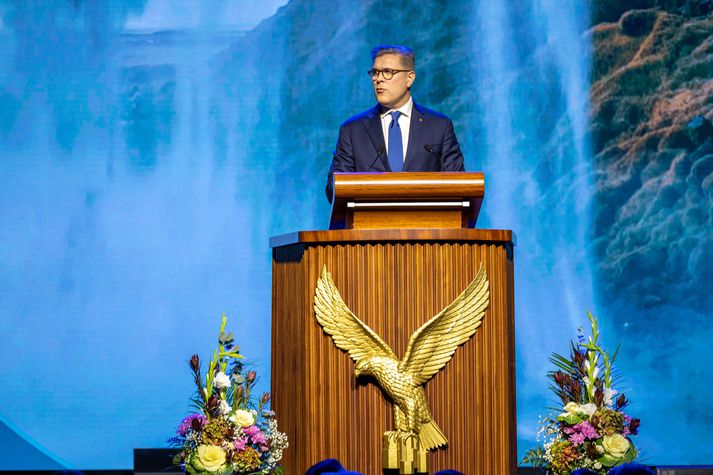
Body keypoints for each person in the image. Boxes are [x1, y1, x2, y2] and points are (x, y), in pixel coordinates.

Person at [325, 44, 466, 202]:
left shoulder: (439, 126)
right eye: (375, 72)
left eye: (387, 72)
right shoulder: (352, 130)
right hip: (368, 223)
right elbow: (333, 189)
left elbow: (459, 185)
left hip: (425, 225)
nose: (378, 79)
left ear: (410, 78)